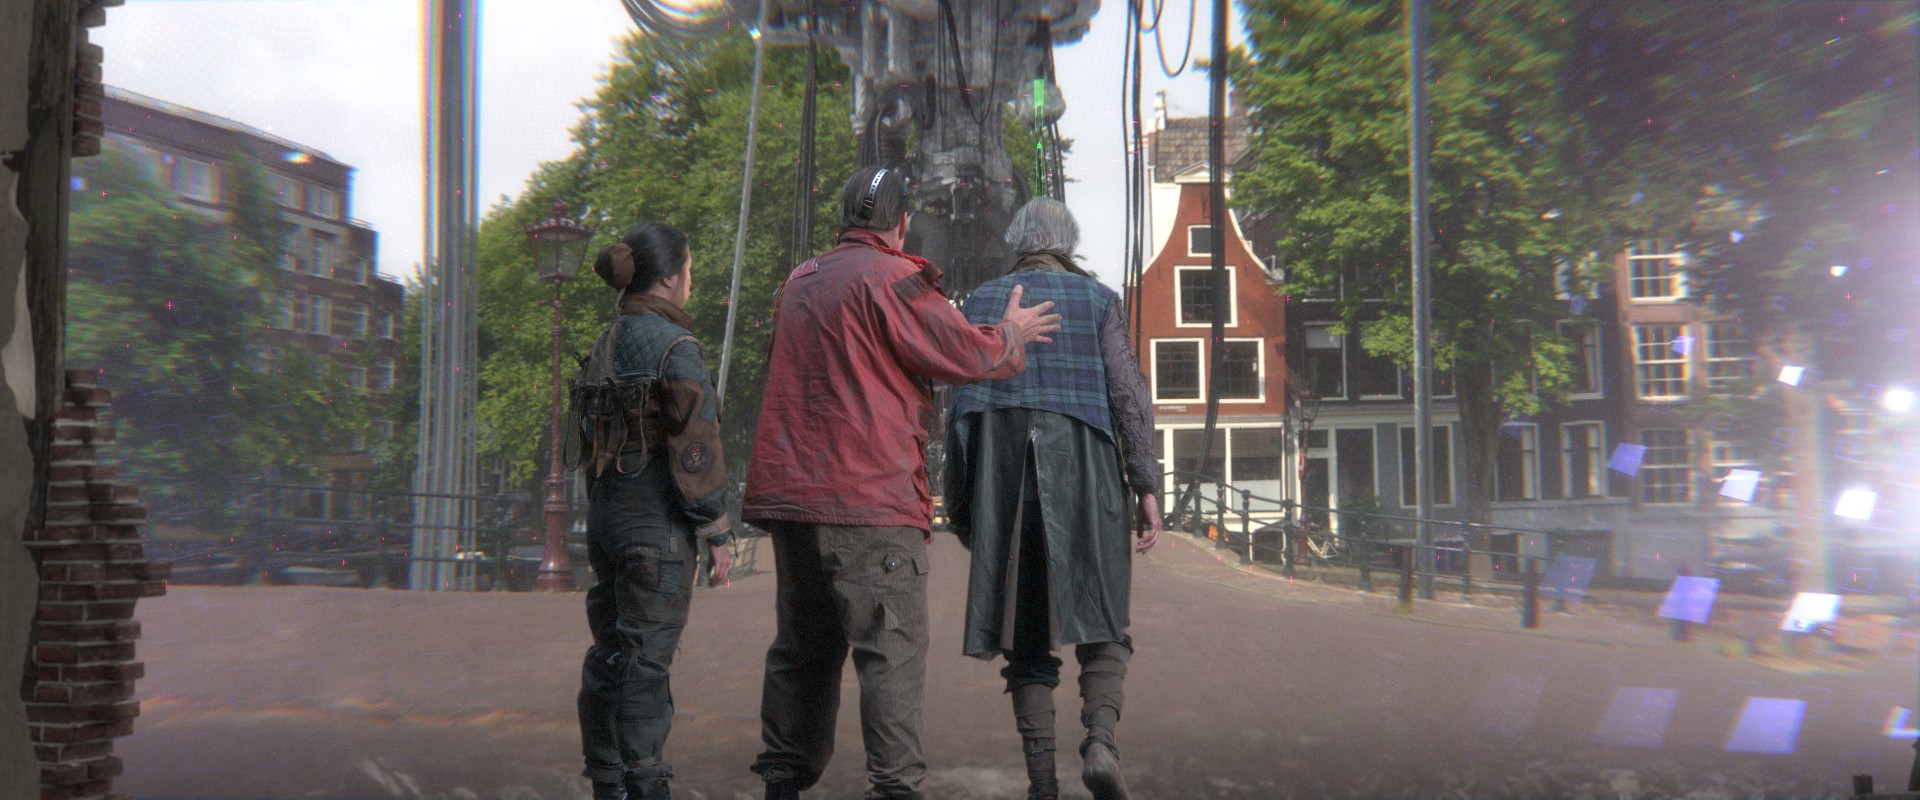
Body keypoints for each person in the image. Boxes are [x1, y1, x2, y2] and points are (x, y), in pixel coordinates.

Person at [743, 165, 1063, 800]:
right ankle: (895, 788)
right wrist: (1012, 333)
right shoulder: (895, 278)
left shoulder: (799, 281)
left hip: (792, 500)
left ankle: (782, 780)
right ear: (903, 223)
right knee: (891, 653)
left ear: (844, 218)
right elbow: (961, 352)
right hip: (870, 500)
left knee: (802, 650)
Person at [944, 198, 1161, 800]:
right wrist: (1146, 484)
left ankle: (1043, 786)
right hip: (1088, 472)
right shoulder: (1098, 300)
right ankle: (1101, 743)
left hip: (1004, 480)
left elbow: (958, 408)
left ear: (1017, 241)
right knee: (1105, 616)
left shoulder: (982, 301)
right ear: (1068, 244)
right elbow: (1129, 395)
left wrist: (961, 502)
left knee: (1026, 636)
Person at [572, 222, 734, 800]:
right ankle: (644, 786)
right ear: (668, 277)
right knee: (645, 663)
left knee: (611, 651)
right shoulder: (676, 347)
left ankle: (607, 782)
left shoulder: (603, 343)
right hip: (654, 525)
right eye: (688, 270)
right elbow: (696, 446)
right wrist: (717, 530)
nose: (690, 281)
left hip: (605, 521)